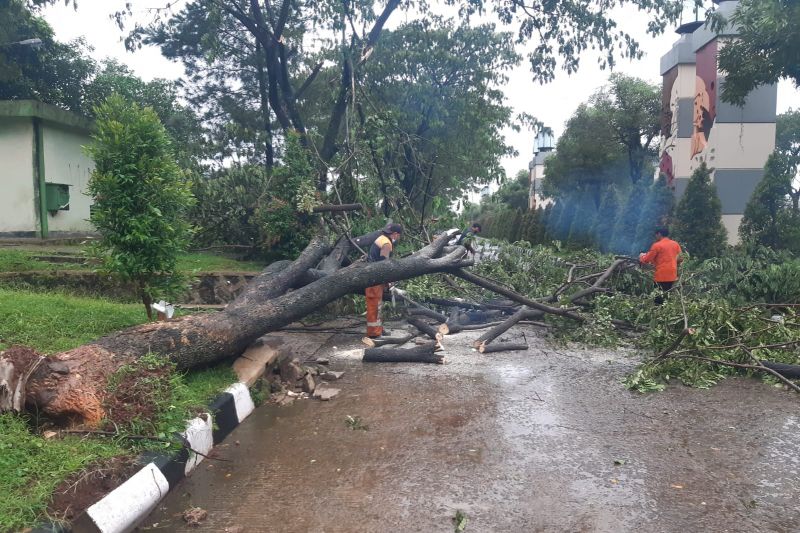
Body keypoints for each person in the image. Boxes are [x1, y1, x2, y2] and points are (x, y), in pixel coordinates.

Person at [365, 223, 403, 338]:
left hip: (374, 275)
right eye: (399, 235)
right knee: (374, 305)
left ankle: (379, 329)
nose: (398, 238)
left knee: (378, 305)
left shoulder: (381, 238)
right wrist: (389, 281)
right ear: (395, 234)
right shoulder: (386, 244)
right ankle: (374, 333)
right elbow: (384, 265)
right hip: (374, 278)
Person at [639, 227, 682, 305]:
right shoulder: (675, 244)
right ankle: (666, 310)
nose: (655, 236)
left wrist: (641, 256)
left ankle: (658, 310)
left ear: (659, 234)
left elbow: (647, 259)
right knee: (667, 294)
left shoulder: (657, 245)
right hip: (672, 274)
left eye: (656, 234)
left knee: (659, 296)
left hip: (661, 274)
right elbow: (680, 258)